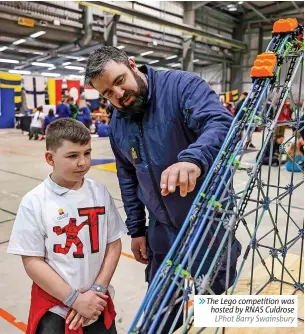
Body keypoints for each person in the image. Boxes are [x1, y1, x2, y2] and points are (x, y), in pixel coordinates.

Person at [85, 46, 241, 332]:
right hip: (162, 231)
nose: (118, 95)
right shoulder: (118, 121)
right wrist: (138, 229)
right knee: (160, 313)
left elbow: (221, 123)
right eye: (107, 93)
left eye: (119, 81)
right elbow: (128, 177)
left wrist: (194, 158)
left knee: (217, 311)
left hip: (209, 225)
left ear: (132, 64)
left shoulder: (182, 86)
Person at [7, 118, 126, 334]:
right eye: (73, 156)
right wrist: (74, 299)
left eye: (87, 153)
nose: (83, 162)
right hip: (56, 309)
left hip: (96, 303)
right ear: (50, 158)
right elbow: (32, 261)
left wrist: (97, 290)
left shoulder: (99, 192)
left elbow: (114, 243)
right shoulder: (35, 201)